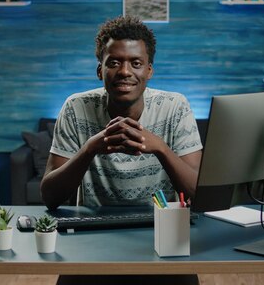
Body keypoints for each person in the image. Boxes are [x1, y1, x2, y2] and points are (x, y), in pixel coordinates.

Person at [40, 15, 203, 285]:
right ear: (99, 71)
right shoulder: (75, 107)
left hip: (162, 233)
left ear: (149, 70)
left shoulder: (175, 107)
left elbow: (199, 194)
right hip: (92, 235)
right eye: (114, 63)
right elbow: (49, 197)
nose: (125, 71)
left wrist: (160, 148)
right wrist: (90, 148)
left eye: (136, 63)